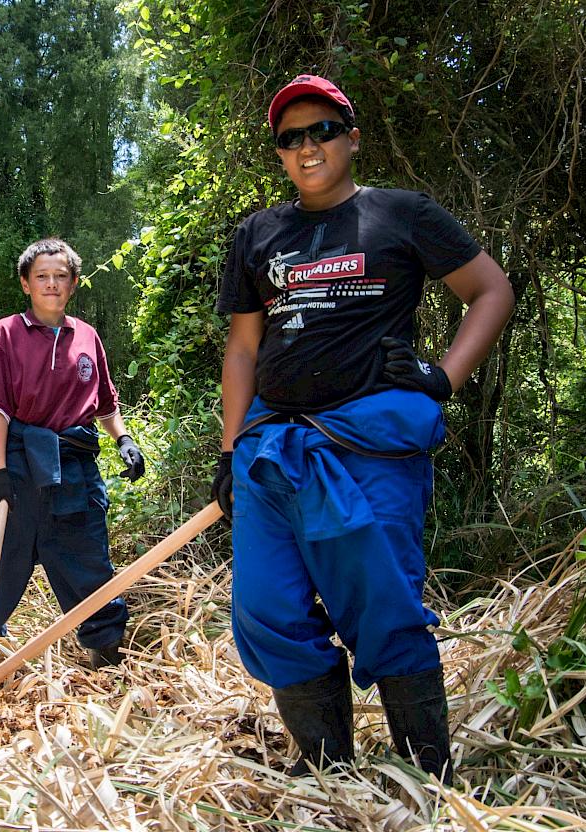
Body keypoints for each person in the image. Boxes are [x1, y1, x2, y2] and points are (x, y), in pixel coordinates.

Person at [211, 75, 514, 782]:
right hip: (271, 452)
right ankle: (329, 777)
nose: (307, 146)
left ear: (351, 136)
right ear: (280, 154)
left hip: (368, 444)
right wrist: (230, 451)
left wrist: (444, 378)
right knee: (266, 607)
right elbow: (244, 349)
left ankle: (425, 777)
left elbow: (490, 290)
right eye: (291, 138)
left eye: (322, 130)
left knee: (383, 603)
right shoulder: (259, 234)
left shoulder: (403, 214)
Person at [0, 238, 146, 670]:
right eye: (42, 276)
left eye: (61, 276)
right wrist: (0, 472)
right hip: (21, 468)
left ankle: (107, 662)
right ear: (26, 283)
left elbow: (105, 404)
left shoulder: (87, 337)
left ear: (74, 284)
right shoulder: (6, 334)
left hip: (75, 470)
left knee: (89, 563)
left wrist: (124, 439)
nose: (52, 284)